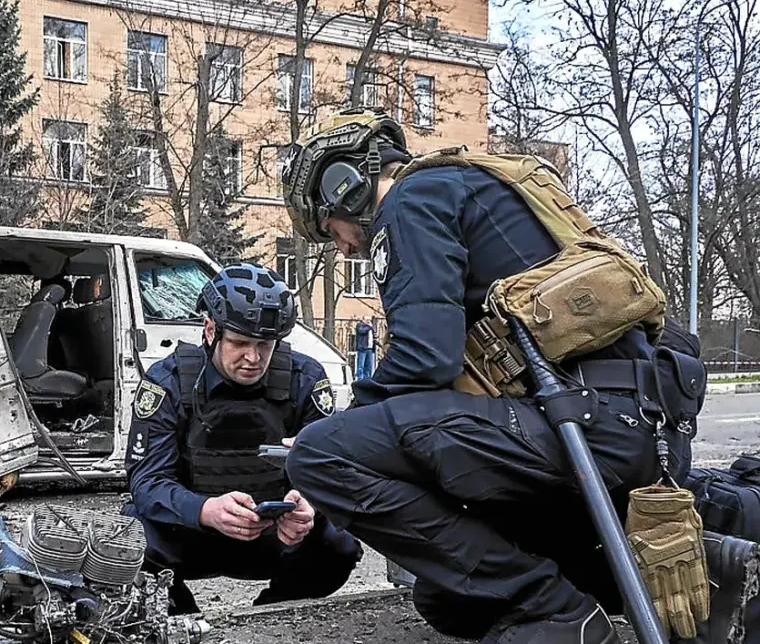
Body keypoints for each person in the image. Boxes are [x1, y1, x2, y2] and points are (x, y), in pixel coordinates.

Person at [278, 107, 710, 644]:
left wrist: (344, 427)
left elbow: (424, 358)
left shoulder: (408, 202)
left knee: (320, 455)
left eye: (331, 229)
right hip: (638, 431)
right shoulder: (487, 190)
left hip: (583, 429)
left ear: (346, 188)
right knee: (448, 601)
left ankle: (560, 613)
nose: (343, 247)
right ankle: (704, 572)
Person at [122, 262, 363, 615]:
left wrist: (309, 508)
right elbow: (146, 482)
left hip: (276, 535)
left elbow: (334, 472)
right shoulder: (168, 381)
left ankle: (270, 616)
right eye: (239, 343)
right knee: (126, 540)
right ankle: (184, 620)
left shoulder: (305, 379)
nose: (253, 358)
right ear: (210, 330)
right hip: (190, 532)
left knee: (338, 544)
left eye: (265, 345)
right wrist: (205, 510)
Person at [353, 317, 376, 381]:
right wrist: (370, 327)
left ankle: (367, 379)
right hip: (362, 348)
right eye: (367, 320)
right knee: (361, 365)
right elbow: (362, 331)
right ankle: (360, 379)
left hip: (370, 348)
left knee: (369, 366)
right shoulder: (360, 325)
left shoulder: (369, 327)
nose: (368, 321)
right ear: (363, 320)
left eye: (369, 320)